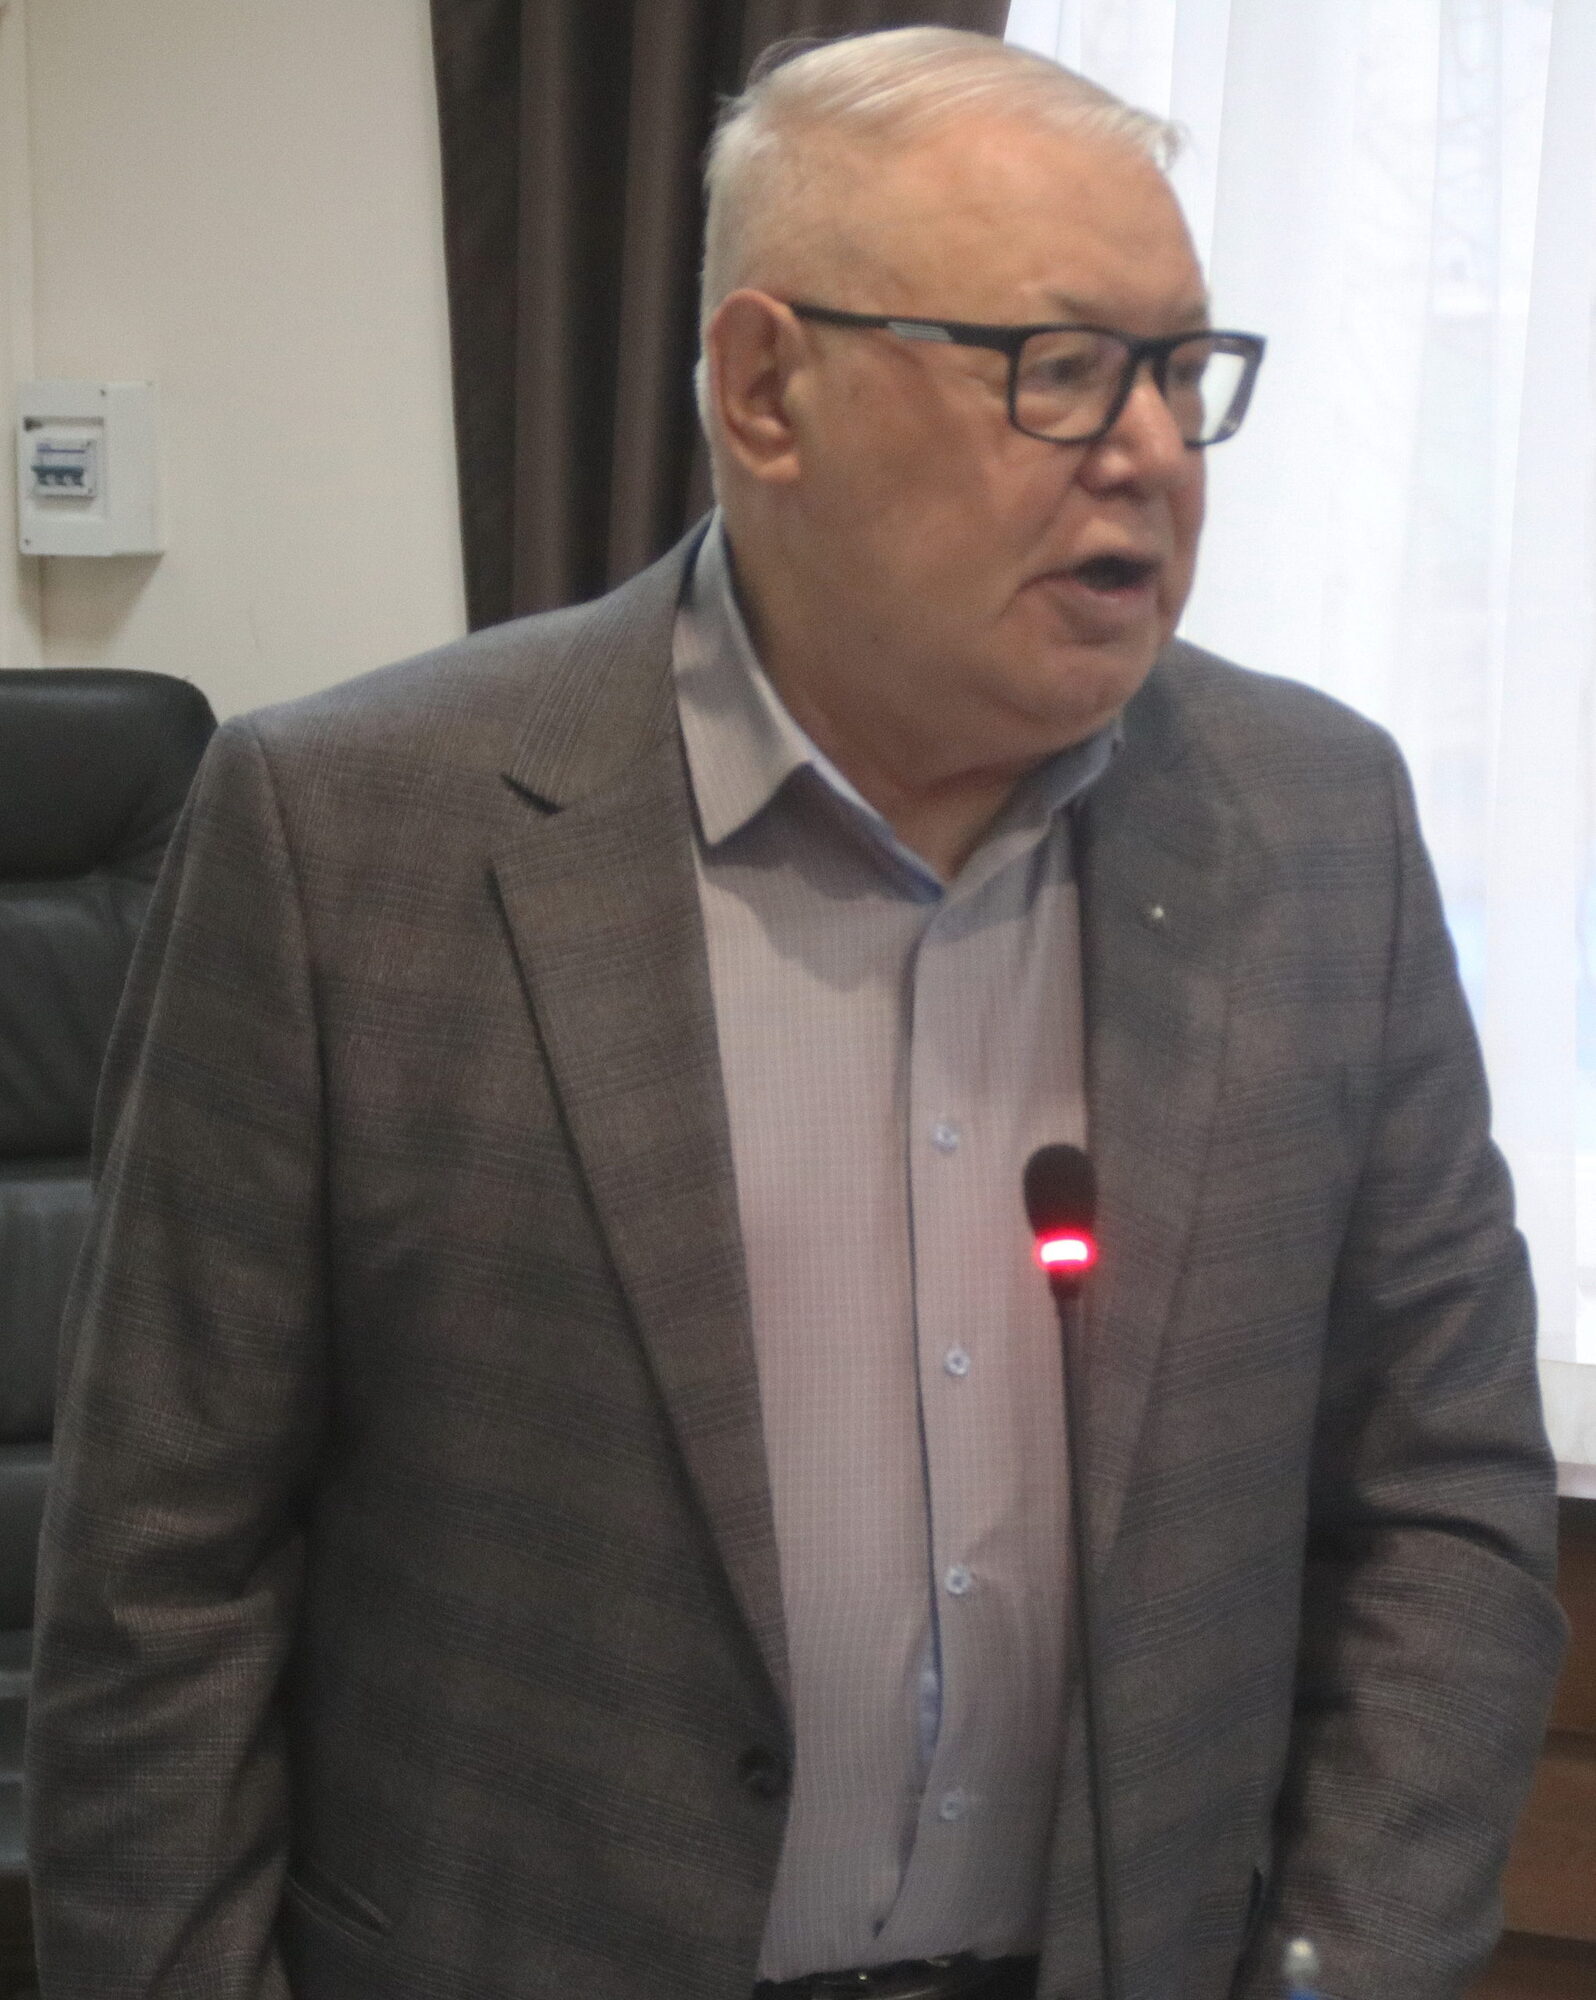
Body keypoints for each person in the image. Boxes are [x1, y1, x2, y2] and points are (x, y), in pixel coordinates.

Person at [26, 28, 1565, 2000]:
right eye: (1060, 367)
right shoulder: (350, 837)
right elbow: (163, 1582)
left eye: (1184, 371)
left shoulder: (1318, 826)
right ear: (768, 390)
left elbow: (1439, 1500)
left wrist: (1338, 1971)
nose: (1153, 453)